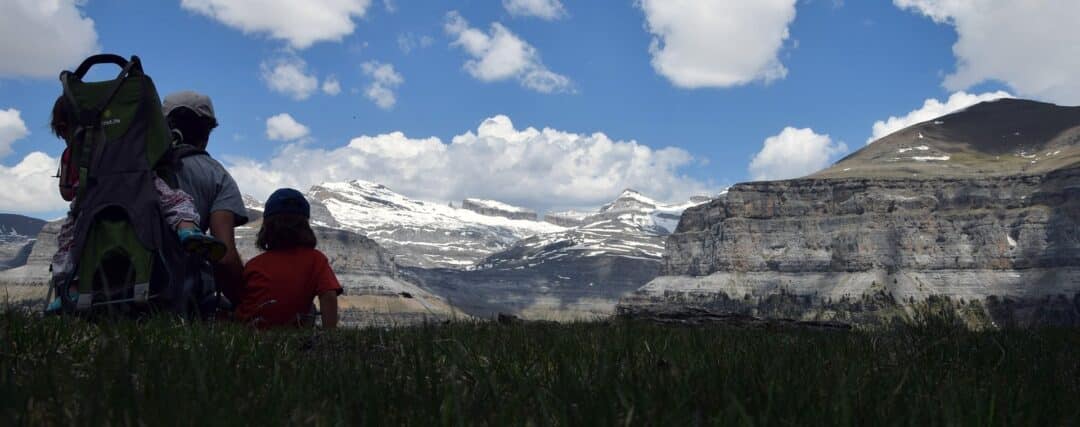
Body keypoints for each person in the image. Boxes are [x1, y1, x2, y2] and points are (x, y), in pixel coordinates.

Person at [46, 96, 225, 311]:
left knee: (68, 242)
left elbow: (66, 192)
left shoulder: (72, 153)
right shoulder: (125, 137)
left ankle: (70, 288)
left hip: (92, 197)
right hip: (138, 184)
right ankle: (187, 230)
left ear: (64, 128)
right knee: (177, 201)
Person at [161, 91, 249, 303]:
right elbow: (224, 258)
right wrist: (245, 304)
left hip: (105, 292)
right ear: (207, 135)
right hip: (176, 298)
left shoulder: (132, 162)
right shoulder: (218, 177)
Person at [235, 188, 342, 329]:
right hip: (291, 327)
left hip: (250, 330)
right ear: (305, 227)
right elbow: (329, 295)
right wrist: (329, 334)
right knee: (311, 309)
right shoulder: (316, 259)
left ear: (266, 227)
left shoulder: (254, 264)